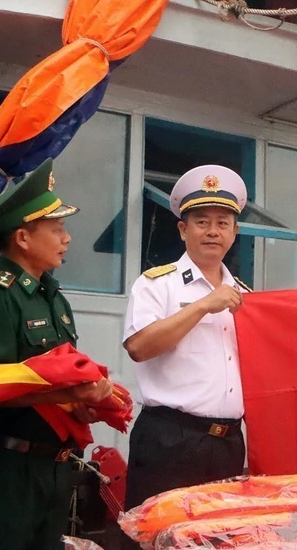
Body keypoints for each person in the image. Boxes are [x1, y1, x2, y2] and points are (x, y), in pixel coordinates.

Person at [0, 158, 114, 550]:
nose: (67, 238)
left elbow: (59, 375)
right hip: (8, 473)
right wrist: (70, 395)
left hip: (55, 468)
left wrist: (82, 406)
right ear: (23, 238)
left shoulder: (54, 299)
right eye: (57, 229)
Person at [122, 165, 252, 528]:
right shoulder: (156, 285)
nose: (213, 231)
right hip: (170, 441)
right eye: (202, 221)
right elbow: (139, 347)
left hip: (227, 443)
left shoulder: (246, 297)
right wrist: (201, 307)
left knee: (218, 537)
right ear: (182, 229)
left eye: (223, 223)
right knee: (157, 536)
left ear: (235, 231)